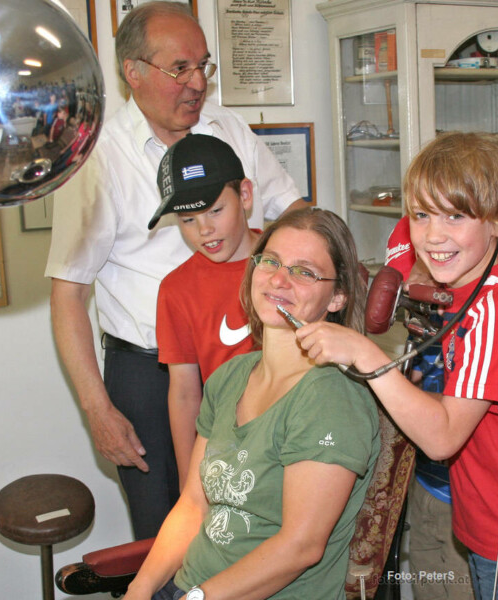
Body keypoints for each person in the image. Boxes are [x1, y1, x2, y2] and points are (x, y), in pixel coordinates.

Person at [45, 1, 302, 540]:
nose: (196, 83)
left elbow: (296, 213)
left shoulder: (227, 127)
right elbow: (68, 294)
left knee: (261, 522)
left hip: (246, 355)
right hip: (150, 374)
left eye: (203, 66)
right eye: (178, 68)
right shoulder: (98, 157)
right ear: (132, 73)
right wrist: (99, 410)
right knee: (170, 534)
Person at [298, 132, 498, 599]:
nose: (433, 235)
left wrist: (365, 354)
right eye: (422, 215)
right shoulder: (467, 280)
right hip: (488, 527)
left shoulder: (496, 305)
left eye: (456, 216)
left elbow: (442, 438)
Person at [124, 208, 380, 600]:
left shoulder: (331, 398)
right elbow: (193, 505)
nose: (279, 279)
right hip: (190, 587)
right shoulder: (231, 377)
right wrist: (138, 591)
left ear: (338, 296)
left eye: (304, 271)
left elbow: (299, 547)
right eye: (271, 262)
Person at [152, 134, 263, 490]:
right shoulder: (176, 290)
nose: (205, 230)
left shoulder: (288, 261)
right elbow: (184, 393)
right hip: (230, 449)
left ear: (244, 196)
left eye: (215, 210)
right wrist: (190, 483)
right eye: (188, 220)